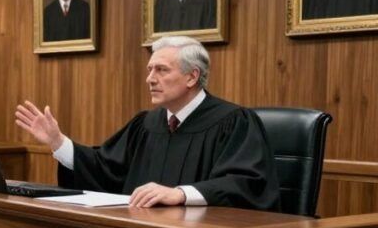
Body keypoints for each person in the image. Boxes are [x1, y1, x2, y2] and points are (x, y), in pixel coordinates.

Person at [15, 36, 278, 210]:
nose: (150, 79)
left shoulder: (234, 122)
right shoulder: (146, 125)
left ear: (192, 77)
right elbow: (106, 169)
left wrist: (182, 193)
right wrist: (58, 142)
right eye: (150, 70)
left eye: (161, 70)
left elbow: (247, 184)